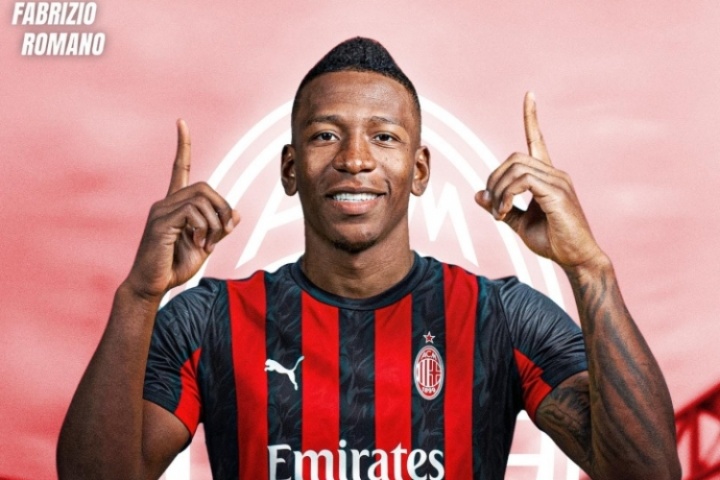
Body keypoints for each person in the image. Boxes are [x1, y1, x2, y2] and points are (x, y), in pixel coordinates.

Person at [57, 37, 681, 480]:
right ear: (290, 169)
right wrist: (139, 296)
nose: (355, 159)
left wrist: (590, 268)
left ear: (419, 170)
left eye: (384, 137)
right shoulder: (208, 320)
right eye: (326, 135)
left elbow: (648, 473)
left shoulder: (503, 316)